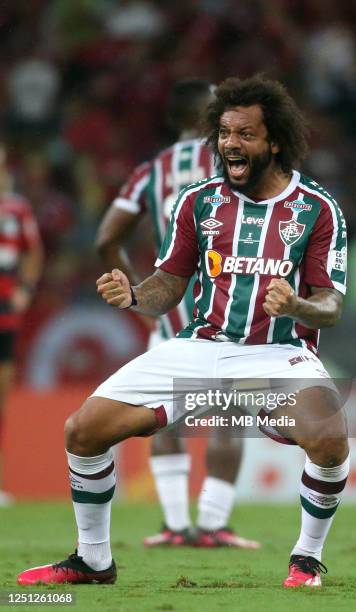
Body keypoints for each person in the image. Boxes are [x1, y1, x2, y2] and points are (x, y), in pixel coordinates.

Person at [18, 74, 349, 589]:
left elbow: (331, 305)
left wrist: (300, 303)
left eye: (244, 134)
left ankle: (306, 559)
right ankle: (94, 560)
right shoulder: (200, 201)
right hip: (199, 346)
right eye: (223, 133)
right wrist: (133, 295)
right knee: (82, 431)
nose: (229, 145)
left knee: (329, 439)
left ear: (275, 141)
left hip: (276, 353)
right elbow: (169, 283)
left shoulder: (316, 208)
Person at [95, 79, 257, 549]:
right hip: (229, 307)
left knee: (163, 414)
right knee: (229, 412)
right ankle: (212, 524)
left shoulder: (152, 170)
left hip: (168, 306)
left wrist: (138, 295)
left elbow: (107, 237)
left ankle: (172, 523)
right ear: (211, 117)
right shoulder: (235, 162)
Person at [0, 143, 43, 505]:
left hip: (5, 311)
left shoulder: (16, 208)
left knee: (1, 397)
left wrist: (25, 289)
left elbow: (34, 252)